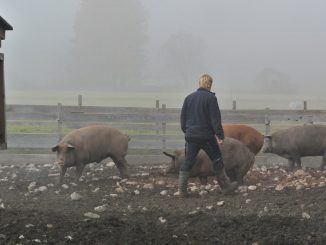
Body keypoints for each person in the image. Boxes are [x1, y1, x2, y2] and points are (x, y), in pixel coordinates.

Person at [179, 74, 238, 197]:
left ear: (199, 83)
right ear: (209, 84)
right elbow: (215, 119)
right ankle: (226, 187)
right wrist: (220, 136)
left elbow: (183, 119)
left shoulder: (188, 98)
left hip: (191, 136)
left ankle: (182, 191)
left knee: (188, 162)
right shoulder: (211, 98)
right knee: (217, 159)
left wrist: (188, 132)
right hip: (206, 137)